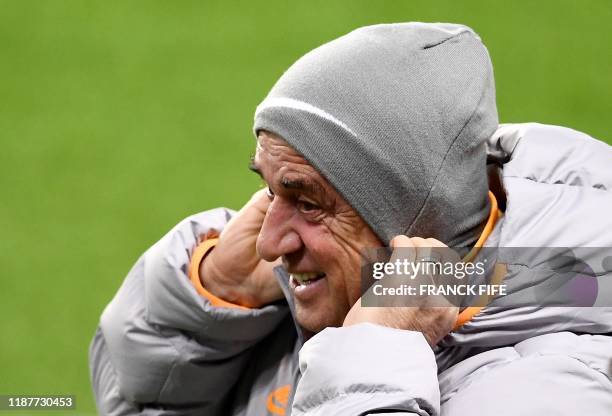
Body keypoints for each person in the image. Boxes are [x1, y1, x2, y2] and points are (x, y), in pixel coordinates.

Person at [89, 23, 612, 415]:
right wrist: (204, 312)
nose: (269, 244)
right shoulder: (323, 297)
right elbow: (132, 403)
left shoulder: (560, 388)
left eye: (307, 201)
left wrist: (372, 362)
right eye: (269, 191)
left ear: (417, 215)